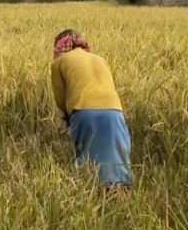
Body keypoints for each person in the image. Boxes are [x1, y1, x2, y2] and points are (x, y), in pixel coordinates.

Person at [50, 29, 132, 187]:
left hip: (83, 109)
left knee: (87, 154)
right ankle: (121, 192)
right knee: (117, 155)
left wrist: (66, 118)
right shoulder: (100, 59)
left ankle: (91, 193)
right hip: (115, 110)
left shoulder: (59, 62)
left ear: (59, 47)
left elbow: (60, 98)